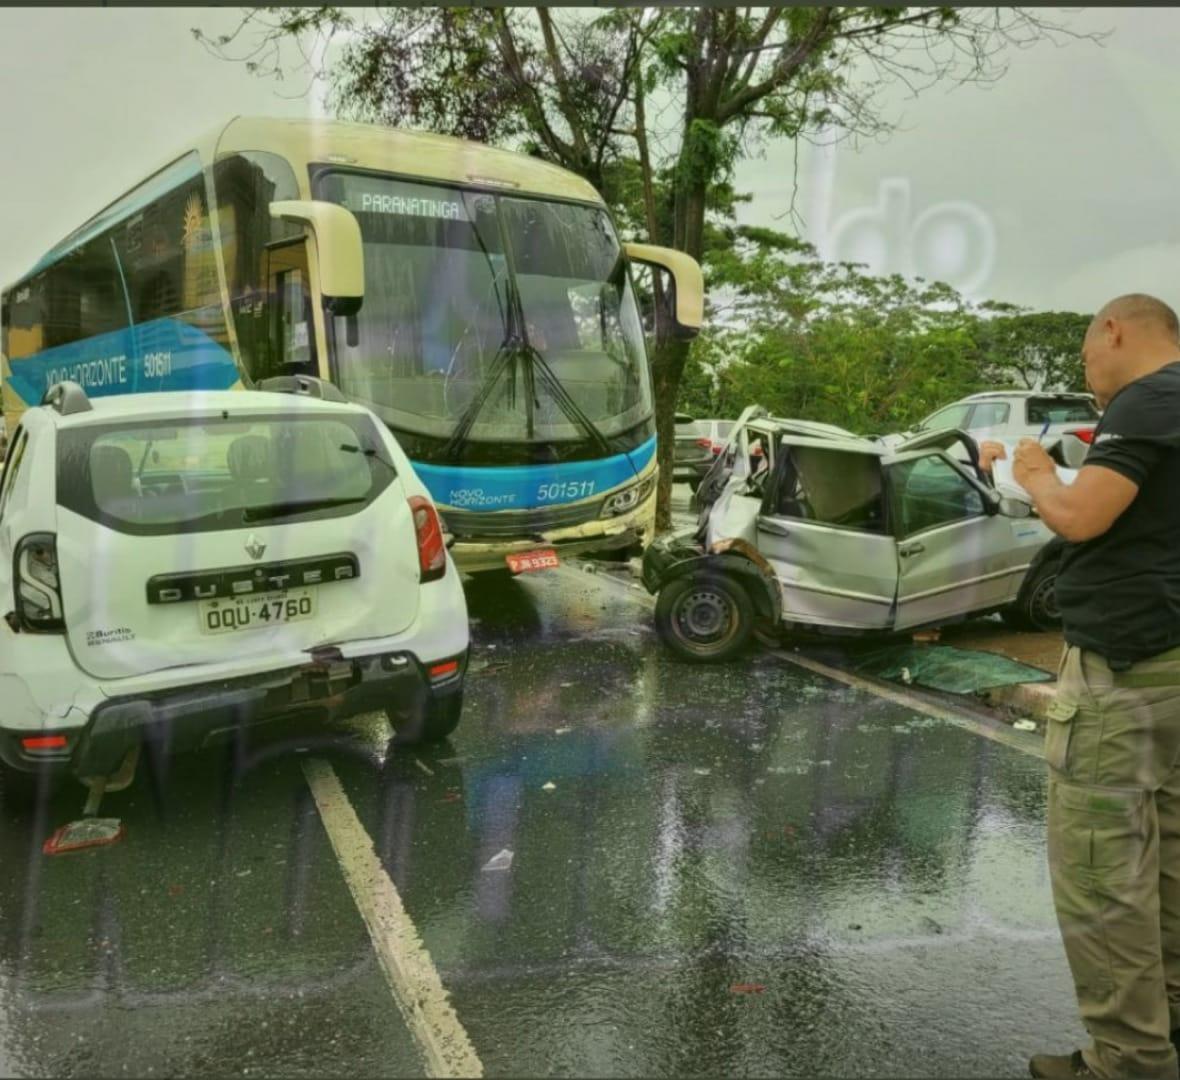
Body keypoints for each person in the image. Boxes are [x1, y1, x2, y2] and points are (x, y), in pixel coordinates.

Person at [984, 294, 1180, 1080]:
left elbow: (1081, 516)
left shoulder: (1147, 397)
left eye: (1088, 355)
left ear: (1115, 330)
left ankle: (1130, 1060)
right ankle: (1167, 1021)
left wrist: (1031, 472)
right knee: (1168, 860)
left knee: (1105, 868)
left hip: (1126, 670)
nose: (1088, 374)